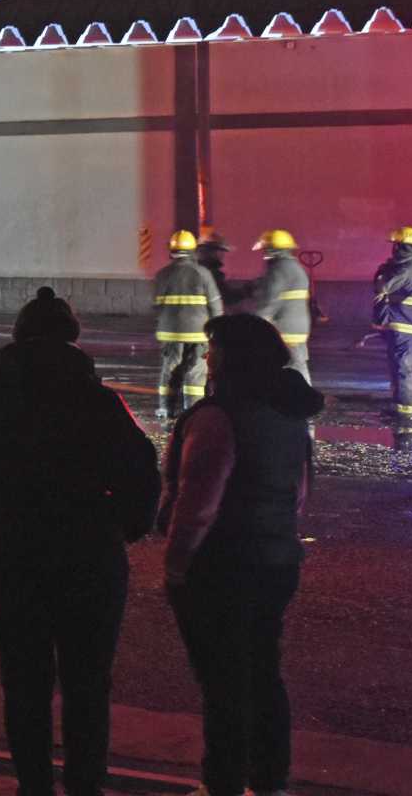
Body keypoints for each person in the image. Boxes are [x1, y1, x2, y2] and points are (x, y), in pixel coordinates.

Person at [0, 287, 160, 796]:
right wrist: (124, 527)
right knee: (88, 682)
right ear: (72, 340)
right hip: (90, 561)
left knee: (24, 679)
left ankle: (33, 784)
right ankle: (85, 784)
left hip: (12, 558)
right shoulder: (99, 402)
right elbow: (141, 475)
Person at [160, 314, 323, 796]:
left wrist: (176, 564)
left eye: (214, 350)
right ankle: (270, 778)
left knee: (222, 683)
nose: (207, 357)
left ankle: (222, 783)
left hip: (223, 567)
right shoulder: (290, 415)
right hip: (276, 561)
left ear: (232, 359)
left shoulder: (218, 416)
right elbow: (300, 493)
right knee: (263, 673)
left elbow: (198, 503)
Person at [153, 230, 224, 420]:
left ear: (171, 250)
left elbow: (157, 305)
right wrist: (217, 332)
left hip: (170, 334)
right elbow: (216, 306)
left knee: (170, 369)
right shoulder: (203, 274)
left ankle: (166, 409)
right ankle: (194, 412)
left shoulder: (162, 275)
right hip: (198, 334)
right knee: (195, 373)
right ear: (193, 250)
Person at [373, 227, 412, 425]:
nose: (393, 250)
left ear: (401, 247)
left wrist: (381, 273)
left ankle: (404, 414)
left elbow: (383, 286)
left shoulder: (408, 268)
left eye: (396, 246)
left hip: (405, 326)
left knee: (403, 370)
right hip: (409, 325)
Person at [251, 230, 312, 383]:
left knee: (286, 366)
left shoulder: (278, 269)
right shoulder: (294, 267)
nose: (264, 253)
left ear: (272, 250)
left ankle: (304, 401)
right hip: (297, 327)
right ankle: (306, 400)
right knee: (297, 365)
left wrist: (253, 323)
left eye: (265, 249)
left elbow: (269, 301)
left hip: (283, 328)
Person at [196, 230, 250, 307]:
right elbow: (225, 298)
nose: (222, 256)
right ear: (211, 251)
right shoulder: (211, 273)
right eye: (221, 251)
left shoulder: (194, 269)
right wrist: (245, 292)